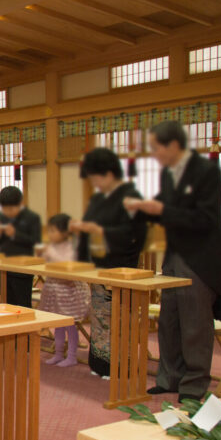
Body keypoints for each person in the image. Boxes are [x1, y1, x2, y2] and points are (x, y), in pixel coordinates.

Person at [124, 121, 221, 402]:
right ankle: (169, 376)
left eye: (157, 148)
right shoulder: (171, 175)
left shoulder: (205, 171)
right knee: (169, 319)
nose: (155, 154)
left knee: (195, 322)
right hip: (175, 252)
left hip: (200, 256)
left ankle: (194, 383)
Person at [71, 148, 148, 379]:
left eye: (97, 177)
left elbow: (136, 236)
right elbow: (86, 230)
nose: (95, 182)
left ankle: (121, 367)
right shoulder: (97, 199)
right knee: (100, 319)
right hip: (99, 269)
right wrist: (81, 261)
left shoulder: (131, 196)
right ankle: (100, 364)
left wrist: (101, 231)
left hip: (121, 267)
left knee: (120, 320)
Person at [38, 213, 90, 367]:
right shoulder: (52, 247)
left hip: (69, 291)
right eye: (50, 231)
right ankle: (59, 353)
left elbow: (66, 264)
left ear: (65, 232)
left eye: (54, 231)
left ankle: (72, 355)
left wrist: (49, 253)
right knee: (58, 324)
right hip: (54, 289)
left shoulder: (71, 246)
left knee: (70, 324)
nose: (50, 234)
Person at [0, 186, 41, 307]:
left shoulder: (32, 217)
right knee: (6, 304)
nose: (8, 212)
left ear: (20, 204)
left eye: (11, 208)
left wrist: (15, 234)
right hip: (3, 268)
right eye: (5, 209)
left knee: (22, 304)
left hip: (22, 269)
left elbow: (35, 241)